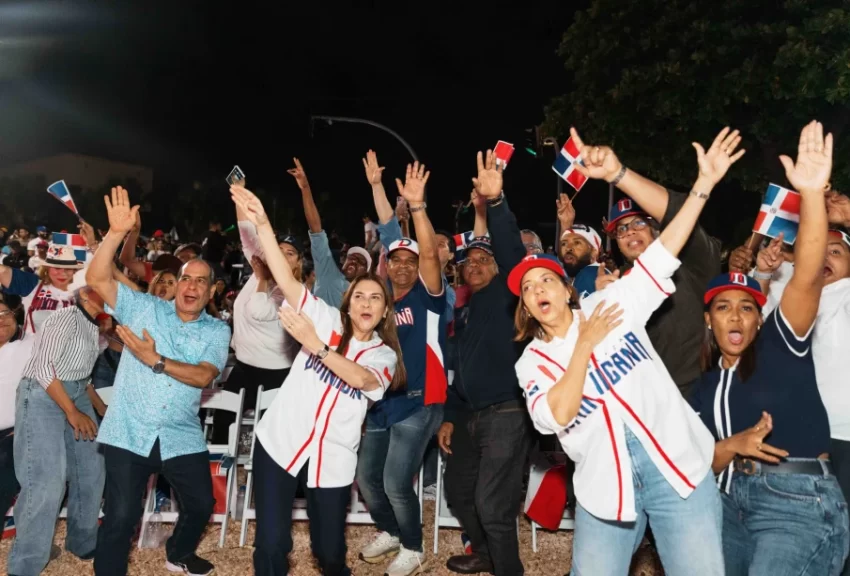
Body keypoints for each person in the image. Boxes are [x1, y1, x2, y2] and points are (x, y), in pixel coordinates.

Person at [513, 126, 746, 575]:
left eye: (546, 280)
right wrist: (582, 346)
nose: (538, 288)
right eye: (527, 287)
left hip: (674, 466)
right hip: (605, 488)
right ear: (525, 305)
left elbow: (664, 253)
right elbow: (553, 417)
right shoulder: (532, 362)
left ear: (566, 290)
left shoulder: (609, 303)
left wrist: (704, 185)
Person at [690, 122, 849, 575]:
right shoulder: (702, 386)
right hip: (727, 507)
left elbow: (807, 272)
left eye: (747, 307)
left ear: (760, 317)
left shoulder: (783, 344)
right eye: (724, 307)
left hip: (796, 503)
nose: (736, 316)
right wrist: (734, 445)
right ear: (709, 318)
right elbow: (699, 459)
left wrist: (813, 195)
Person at [230, 183, 404, 576]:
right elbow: (286, 280)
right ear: (348, 302)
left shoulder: (384, 355)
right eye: (359, 296)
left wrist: (318, 348)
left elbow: (361, 378)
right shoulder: (324, 319)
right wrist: (262, 224)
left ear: (384, 313)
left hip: (333, 459)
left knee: (329, 554)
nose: (365, 303)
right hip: (279, 442)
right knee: (271, 546)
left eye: (375, 299)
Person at [87, 187, 231, 576]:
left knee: (202, 504)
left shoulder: (217, 331)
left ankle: (179, 552)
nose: (192, 286)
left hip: (180, 432)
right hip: (129, 430)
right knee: (120, 517)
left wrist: (157, 361)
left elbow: (204, 374)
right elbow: (98, 278)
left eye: (202, 282)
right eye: (187, 278)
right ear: (177, 282)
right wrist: (115, 234)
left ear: (211, 290)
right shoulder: (145, 307)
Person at [436, 151, 533, 576]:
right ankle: (486, 553)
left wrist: (494, 204)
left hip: (507, 414)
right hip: (470, 415)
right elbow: (459, 374)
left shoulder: (508, 295)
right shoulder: (465, 312)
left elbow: (512, 253)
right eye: (466, 263)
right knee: (459, 493)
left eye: (481, 260)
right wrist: (450, 416)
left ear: (496, 268)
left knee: (493, 506)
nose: (472, 266)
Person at [574, 128, 721, 396]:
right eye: (621, 229)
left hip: (699, 392)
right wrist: (603, 305)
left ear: (657, 229)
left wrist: (617, 174)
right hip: (645, 401)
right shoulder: (618, 283)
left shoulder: (689, 262)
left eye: (639, 223)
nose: (629, 231)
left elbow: (677, 211)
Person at [357, 157, 447, 576]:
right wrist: (376, 186)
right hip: (381, 401)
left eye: (410, 261)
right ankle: (391, 532)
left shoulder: (428, 295)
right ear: (387, 267)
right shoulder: (380, 302)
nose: (405, 265)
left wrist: (418, 206)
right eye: (397, 261)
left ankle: (413, 546)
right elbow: (387, 230)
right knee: (367, 479)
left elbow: (426, 250)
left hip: (420, 401)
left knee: (395, 481)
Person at [7, 287, 106, 576]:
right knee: (46, 480)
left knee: (92, 469)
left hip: (77, 393)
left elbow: (82, 376)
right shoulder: (64, 317)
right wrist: (72, 412)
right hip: (41, 393)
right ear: (86, 295)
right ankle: (25, 564)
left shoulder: (94, 324)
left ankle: (83, 542)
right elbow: (43, 368)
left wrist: (100, 409)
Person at [289, 157, 372, 308]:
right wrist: (305, 188)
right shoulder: (328, 272)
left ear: (366, 273)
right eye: (351, 257)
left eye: (361, 262)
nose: (354, 261)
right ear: (343, 260)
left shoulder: (368, 299)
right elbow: (316, 228)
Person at [0, 302, 26, 536]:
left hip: (14, 432)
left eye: (4, 312)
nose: (0, 319)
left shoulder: (28, 347)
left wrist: (25, 423)